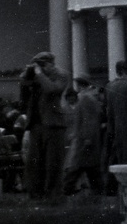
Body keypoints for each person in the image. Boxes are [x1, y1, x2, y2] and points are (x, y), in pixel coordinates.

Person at [23, 51, 68, 198]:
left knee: (53, 162)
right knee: (34, 162)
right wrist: (27, 76)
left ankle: (53, 193)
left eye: (42, 65)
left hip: (53, 124)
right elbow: (23, 93)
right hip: (36, 124)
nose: (40, 68)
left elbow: (51, 90)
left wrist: (40, 75)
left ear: (50, 64)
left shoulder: (60, 75)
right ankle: (35, 193)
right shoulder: (36, 77)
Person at [64, 75, 103, 193]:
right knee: (91, 167)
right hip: (88, 137)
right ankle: (98, 190)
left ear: (81, 85)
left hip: (83, 138)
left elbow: (87, 119)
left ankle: (67, 188)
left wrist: (87, 137)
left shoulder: (84, 98)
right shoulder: (91, 98)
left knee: (77, 166)